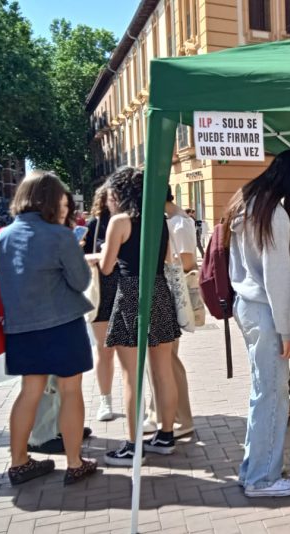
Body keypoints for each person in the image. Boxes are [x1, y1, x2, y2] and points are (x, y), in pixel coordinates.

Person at [0, 171, 98, 485]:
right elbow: (81, 281)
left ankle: (19, 462)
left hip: (21, 328)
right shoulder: (60, 236)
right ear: (53, 202)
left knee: (29, 392)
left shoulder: (4, 236)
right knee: (70, 391)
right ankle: (75, 462)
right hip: (62, 324)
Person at [225, 150, 290, 497]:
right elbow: (279, 279)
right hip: (265, 310)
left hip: (247, 306)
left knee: (264, 393)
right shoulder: (274, 214)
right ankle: (263, 477)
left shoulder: (247, 203)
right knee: (274, 395)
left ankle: (255, 469)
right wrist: (287, 332)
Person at [92, 167, 182, 467]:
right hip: (158, 289)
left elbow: (106, 268)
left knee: (132, 375)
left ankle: (133, 446)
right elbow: (167, 259)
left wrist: (108, 250)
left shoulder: (119, 222)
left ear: (118, 194)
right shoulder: (160, 220)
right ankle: (166, 436)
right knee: (162, 370)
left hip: (130, 292)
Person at [140, 188, 197, 437]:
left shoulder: (179, 223)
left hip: (173, 295)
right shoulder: (173, 220)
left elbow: (186, 262)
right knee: (165, 360)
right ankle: (163, 414)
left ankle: (182, 418)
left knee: (169, 360)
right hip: (167, 294)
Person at [84, 184, 120, 422]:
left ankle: (143, 403)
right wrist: (99, 257)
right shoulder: (95, 226)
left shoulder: (133, 221)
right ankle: (105, 400)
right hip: (103, 293)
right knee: (104, 349)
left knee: (134, 353)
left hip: (128, 290)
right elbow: (81, 257)